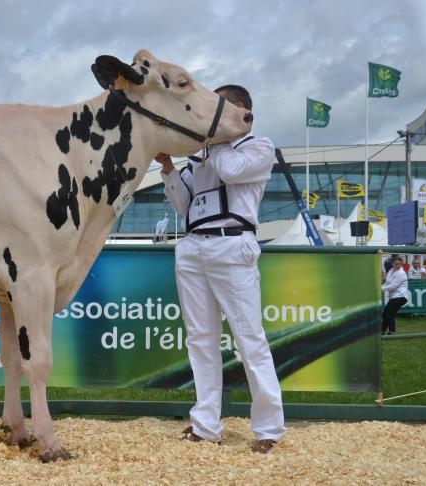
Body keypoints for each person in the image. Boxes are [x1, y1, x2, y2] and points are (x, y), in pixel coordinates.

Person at [158, 84, 284, 454]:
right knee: (200, 338)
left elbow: (230, 172)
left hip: (233, 243)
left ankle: (269, 427)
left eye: (219, 108)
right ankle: (205, 423)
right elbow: (183, 204)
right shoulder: (200, 158)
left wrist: (212, 141)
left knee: (249, 339)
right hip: (193, 246)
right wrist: (169, 168)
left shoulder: (259, 147)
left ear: (240, 109)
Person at [381, 257, 408, 335]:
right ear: (392, 264)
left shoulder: (402, 273)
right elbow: (388, 283)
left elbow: (394, 286)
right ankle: (382, 331)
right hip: (394, 296)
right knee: (386, 313)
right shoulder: (390, 271)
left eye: (400, 264)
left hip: (401, 296)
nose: (398, 265)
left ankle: (392, 331)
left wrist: (381, 288)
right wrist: (381, 286)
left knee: (388, 313)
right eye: (396, 264)